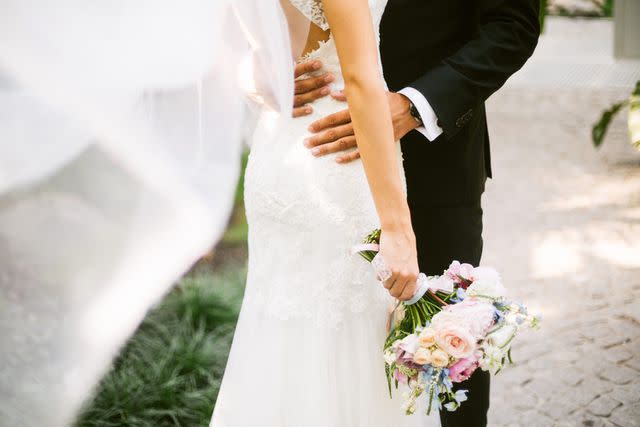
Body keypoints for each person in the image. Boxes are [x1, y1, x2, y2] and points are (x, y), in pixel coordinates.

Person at [290, 1, 540, 426]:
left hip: (433, 165)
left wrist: (413, 106)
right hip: (318, 164)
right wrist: (262, 78)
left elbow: (512, 26)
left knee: (447, 352)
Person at [211, 0, 437, 426]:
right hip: (340, 156)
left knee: (286, 336)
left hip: (282, 149)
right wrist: (397, 227)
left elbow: (215, 40)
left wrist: (254, 75)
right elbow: (360, 78)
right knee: (345, 341)